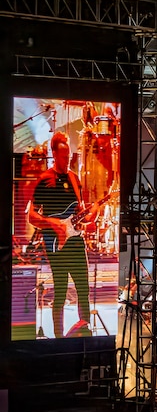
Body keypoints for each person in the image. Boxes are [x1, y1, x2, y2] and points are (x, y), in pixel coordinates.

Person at [27, 131, 96, 338]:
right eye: (63, 156)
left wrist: (89, 220)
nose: (67, 160)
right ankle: (59, 339)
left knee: (83, 290)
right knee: (60, 291)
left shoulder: (75, 179)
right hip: (56, 244)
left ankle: (85, 333)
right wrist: (53, 223)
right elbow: (31, 216)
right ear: (54, 155)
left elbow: (80, 212)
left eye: (69, 156)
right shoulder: (44, 180)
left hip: (75, 241)